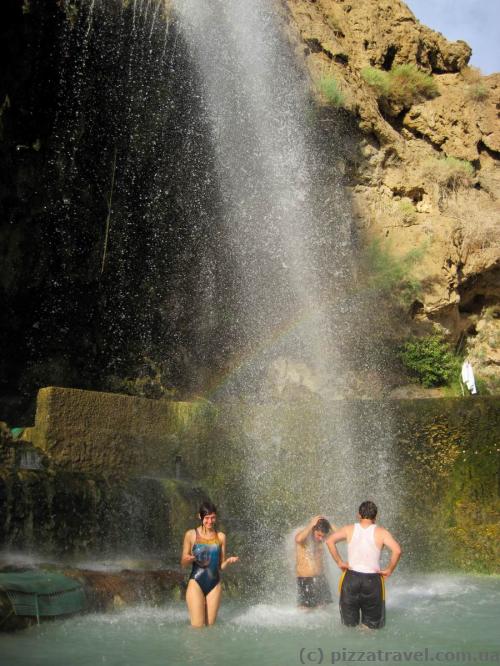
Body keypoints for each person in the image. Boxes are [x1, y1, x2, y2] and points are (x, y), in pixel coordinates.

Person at [326, 500, 402, 629]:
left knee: (348, 625)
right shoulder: (382, 532)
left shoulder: (349, 529)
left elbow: (329, 541)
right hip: (372, 580)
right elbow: (397, 550)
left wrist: (339, 562)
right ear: (376, 517)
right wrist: (389, 570)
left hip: (351, 578)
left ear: (359, 515)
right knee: (371, 627)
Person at [181, 501, 239, 628]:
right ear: (200, 517)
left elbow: (220, 567)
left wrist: (228, 561)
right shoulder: (191, 535)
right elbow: (183, 563)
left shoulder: (221, 537)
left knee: (210, 627)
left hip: (214, 584)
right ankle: (195, 648)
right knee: (198, 626)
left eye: (213, 517)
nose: (210, 521)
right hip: (196, 582)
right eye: (207, 518)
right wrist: (188, 559)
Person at [295, 514, 334, 609]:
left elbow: (340, 534)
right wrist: (312, 523)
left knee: (324, 609)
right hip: (306, 579)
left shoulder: (321, 538)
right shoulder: (304, 536)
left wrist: (328, 522)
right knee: (306, 610)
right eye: (319, 535)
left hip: (321, 578)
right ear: (313, 529)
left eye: (323, 536)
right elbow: (298, 539)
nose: (321, 538)